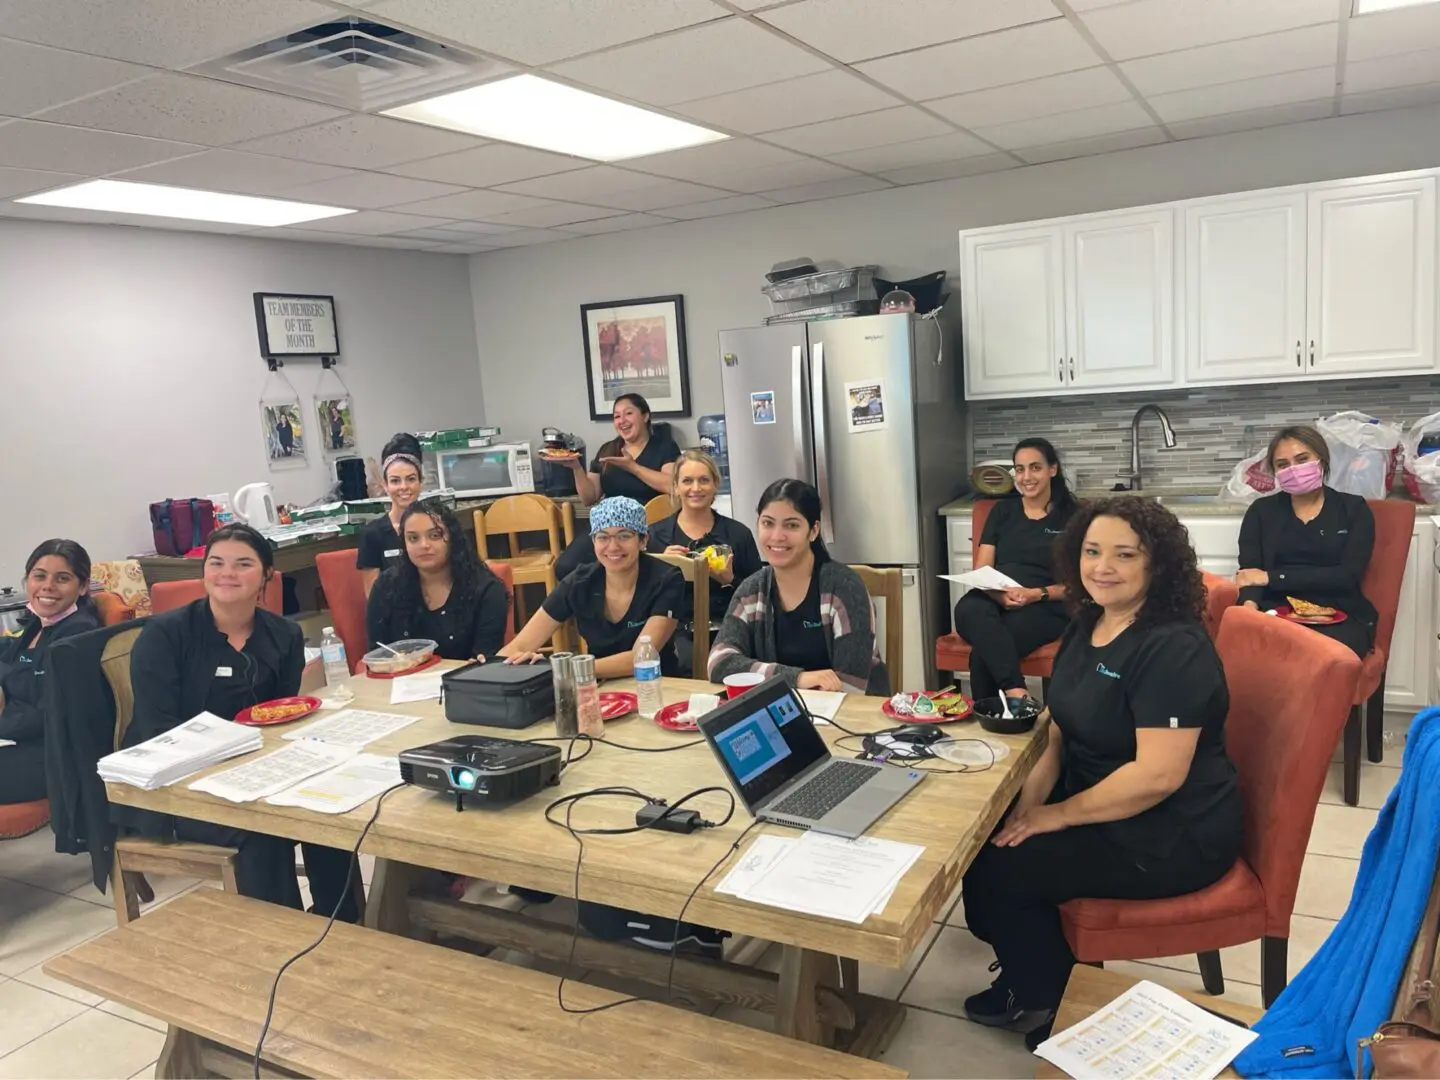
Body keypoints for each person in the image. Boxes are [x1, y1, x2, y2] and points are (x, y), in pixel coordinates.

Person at [961, 498, 1242, 1050]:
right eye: (1091, 551)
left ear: (1156, 565)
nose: (1102, 567)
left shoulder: (1173, 646)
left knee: (1003, 868)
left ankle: (1051, 998)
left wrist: (1057, 816)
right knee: (982, 831)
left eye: (1124, 554)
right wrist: (1028, 805)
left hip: (1170, 831)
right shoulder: (1090, 619)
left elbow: (1157, 777)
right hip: (1100, 794)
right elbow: (1058, 726)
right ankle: (1032, 969)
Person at [126, 524, 360, 921]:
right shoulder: (164, 636)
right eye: (216, 563)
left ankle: (342, 925)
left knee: (327, 812)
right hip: (178, 784)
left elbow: (283, 713)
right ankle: (281, 938)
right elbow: (158, 730)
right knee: (262, 830)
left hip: (258, 771)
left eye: (243, 564)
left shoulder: (283, 635)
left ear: (267, 576)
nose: (226, 573)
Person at [708, 479, 888, 696]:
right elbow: (719, 661)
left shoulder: (844, 588)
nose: (777, 536)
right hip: (782, 712)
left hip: (852, 717)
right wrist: (798, 678)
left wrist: (769, 681)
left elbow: (851, 684)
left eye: (791, 525)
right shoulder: (752, 591)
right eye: (768, 523)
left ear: (813, 531)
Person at [952, 438, 1079, 703]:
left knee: (983, 654)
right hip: (996, 597)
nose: (1026, 477)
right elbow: (982, 570)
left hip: (1045, 605)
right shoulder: (1002, 512)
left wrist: (1035, 594)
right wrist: (998, 595)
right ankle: (1018, 695)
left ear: (1052, 469)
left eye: (1035, 468)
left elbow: (1080, 584)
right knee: (968, 608)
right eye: (1019, 469)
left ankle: (1001, 717)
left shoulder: (1074, 517)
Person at [499, 497, 683, 677]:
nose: (613, 547)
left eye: (624, 536)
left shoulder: (666, 579)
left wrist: (562, 668)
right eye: (603, 537)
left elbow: (639, 659)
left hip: (656, 685)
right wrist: (487, 666)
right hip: (595, 686)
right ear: (593, 541)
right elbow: (518, 647)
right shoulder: (580, 582)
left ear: (643, 541)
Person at [1235, 425, 1377, 657]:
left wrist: (1272, 577)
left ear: (1321, 459)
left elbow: (1347, 576)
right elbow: (1250, 574)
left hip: (1339, 613)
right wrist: (1249, 609)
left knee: (1319, 657)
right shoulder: (1261, 512)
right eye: (1283, 464)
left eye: (1302, 459)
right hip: (1277, 611)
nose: (1294, 469)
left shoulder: (1353, 509)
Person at [0, 540, 100, 806]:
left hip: (52, 755)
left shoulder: (76, 637)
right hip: (18, 737)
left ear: (82, 586)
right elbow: (10, 662)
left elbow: (49, 715)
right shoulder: (39, 625)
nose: (47, 586)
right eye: (39, 576)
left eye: (62, 578)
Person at [646, 449, 762, 671]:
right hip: (675, 631)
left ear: (715, 484)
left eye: (704, 480)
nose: (696, 488)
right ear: (676, 487)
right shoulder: (656, 537)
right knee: (683, 663)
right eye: (687, 481)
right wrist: (661, 566)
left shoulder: (738, 534)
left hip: (730, 627)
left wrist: (731, 580)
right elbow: (642, 597)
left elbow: (762, 595)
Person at [553, 393, 680, 580]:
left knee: (625, 570)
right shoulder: (607, 450)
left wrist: (633, 467)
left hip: (648, 528)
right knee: (566, 567)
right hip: (607, 525)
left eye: (628, 413)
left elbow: (672, 486)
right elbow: (589, 497)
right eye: (616, 416)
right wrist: (576, 468)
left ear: (645, 416)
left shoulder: (665, 447)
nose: (622, 421)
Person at [366, 499, 510, 662]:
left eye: (435, 535)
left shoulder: (487, 590)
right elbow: (377, 655)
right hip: (399, 683)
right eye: (413, 538)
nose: (424, 545)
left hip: (462, 683)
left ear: (453, 539)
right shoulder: (385, 587)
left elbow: (485, 661)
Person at [357, 432, 424, 597]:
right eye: (395, 481)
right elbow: (373, 601)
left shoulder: (439, 524)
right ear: (385, 485)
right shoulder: (372, 535)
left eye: (410, 479)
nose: (404, 487)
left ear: (421, 482)